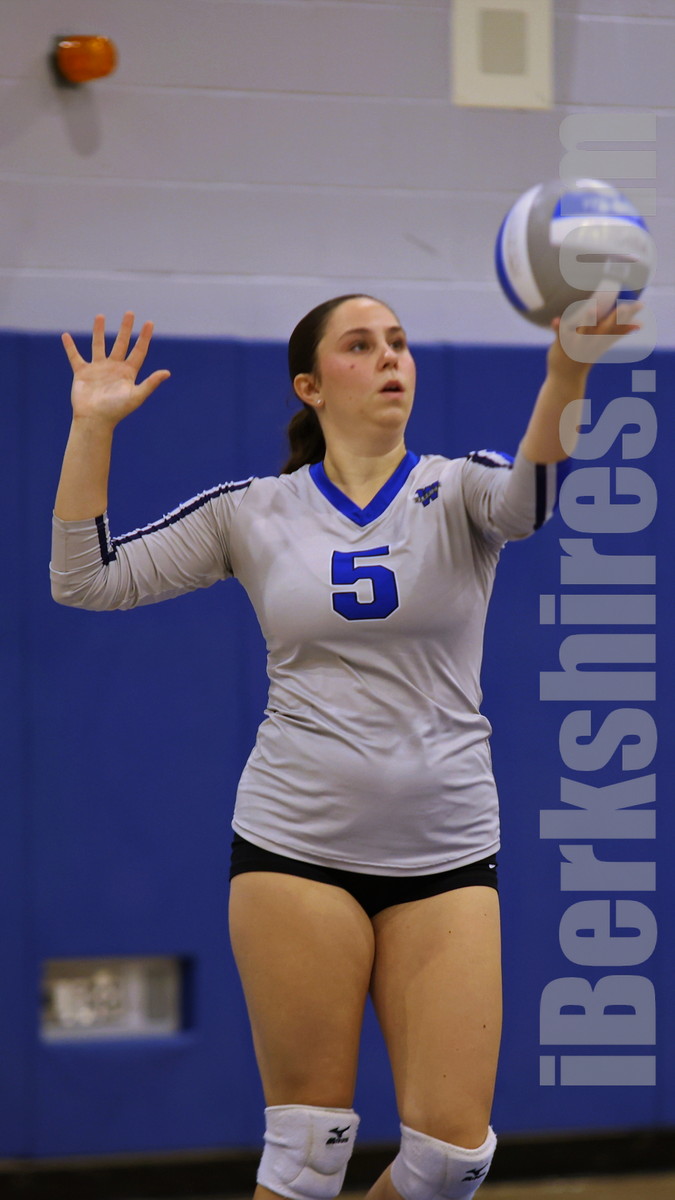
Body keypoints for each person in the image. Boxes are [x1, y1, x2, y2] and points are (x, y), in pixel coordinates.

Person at [51, 293, 641, 1200]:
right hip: (298, 850)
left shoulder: (460, 488)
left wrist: (568, 371)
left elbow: (530, 498)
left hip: (445, 854)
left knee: (450, 1162)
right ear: (310, 386)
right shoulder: (252, 512)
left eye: (398, 343)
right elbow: (85, 579)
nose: (389, 358)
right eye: (360, 346)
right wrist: (93, 427)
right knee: (306, 1157)